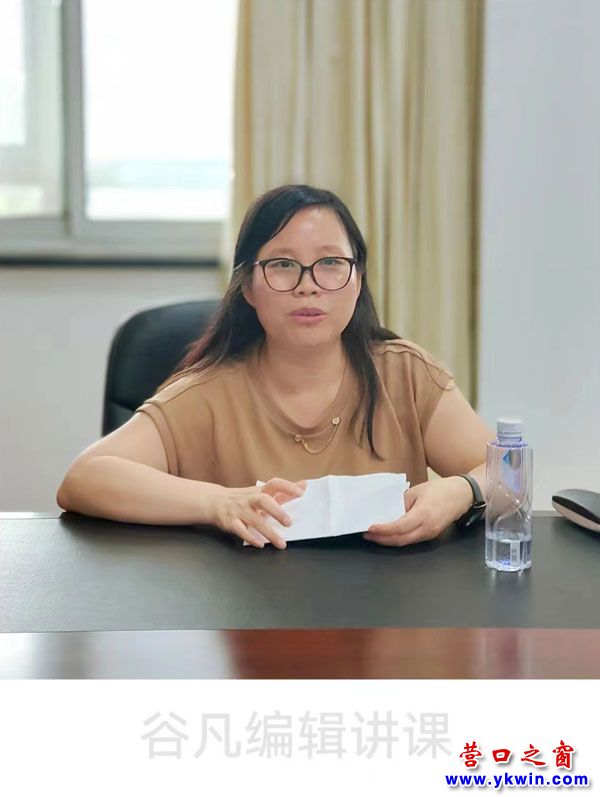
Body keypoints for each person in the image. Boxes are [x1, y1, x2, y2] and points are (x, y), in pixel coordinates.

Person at [57, 184, 495, 549]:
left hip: (389, 612)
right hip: (247, 612)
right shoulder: (208, 393)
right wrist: (219, 503)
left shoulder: (404, 375)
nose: (308, 286)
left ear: (357, 280)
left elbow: (509, 471)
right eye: (283, 265)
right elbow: (84, 479)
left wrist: (463, 491)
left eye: (330, 263)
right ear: (248, 286)